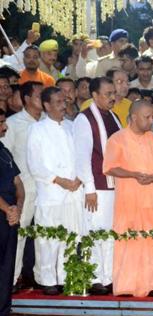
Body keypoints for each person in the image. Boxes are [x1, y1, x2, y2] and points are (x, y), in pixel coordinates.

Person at [103, 100, 153, 297]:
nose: (151, 121)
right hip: (128, 201)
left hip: (151, 200)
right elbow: (110, 166)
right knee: (127, 241)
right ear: (134, 117)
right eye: (147, 117)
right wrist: (133, 174)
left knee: (151, 241)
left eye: (152, 117)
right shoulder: (117, 139)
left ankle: (152, 285)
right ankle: (125, 286)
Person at [27, 86, 86, 296]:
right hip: (51, 192)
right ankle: (47, 279)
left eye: (65, 101)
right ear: (47, 105)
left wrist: (79, 178)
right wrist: (60, 181)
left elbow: (81, 156)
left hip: (73, 192)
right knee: (48, 239)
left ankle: (64, 277)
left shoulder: (71, 127)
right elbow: (35, 165)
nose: (64, 105)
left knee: (70, 236)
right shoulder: (38, 129)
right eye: (59, 102)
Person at [73, 77, 122, 295]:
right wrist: (90, 188)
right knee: (94, 230)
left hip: (115, 185)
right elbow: (81, 157)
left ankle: (109, 276)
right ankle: (93, 277)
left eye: (114, 92)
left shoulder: (114, 116)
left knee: (110, 232)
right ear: (94, 95)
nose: (113, 97)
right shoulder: (84, 119)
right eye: (108, 93)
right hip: (97, 185)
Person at [0, 81, 43, 290]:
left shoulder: (48, 121)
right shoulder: (14, 123)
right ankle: (13, 278)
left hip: (46, 187)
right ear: (26, 98)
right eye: (38, 95)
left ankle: (39, 277)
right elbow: (4, 158)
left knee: (44, 233)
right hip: (22, 186)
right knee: (20, 233)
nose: (42, 99)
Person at [0, 109, 26, 316]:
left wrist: (17, 206)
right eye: (0, 123)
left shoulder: (4, 151)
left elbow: (18, 182)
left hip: (9, 219)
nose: (4, 127)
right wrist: (8, 209)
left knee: (5, 272)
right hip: (3, 215)